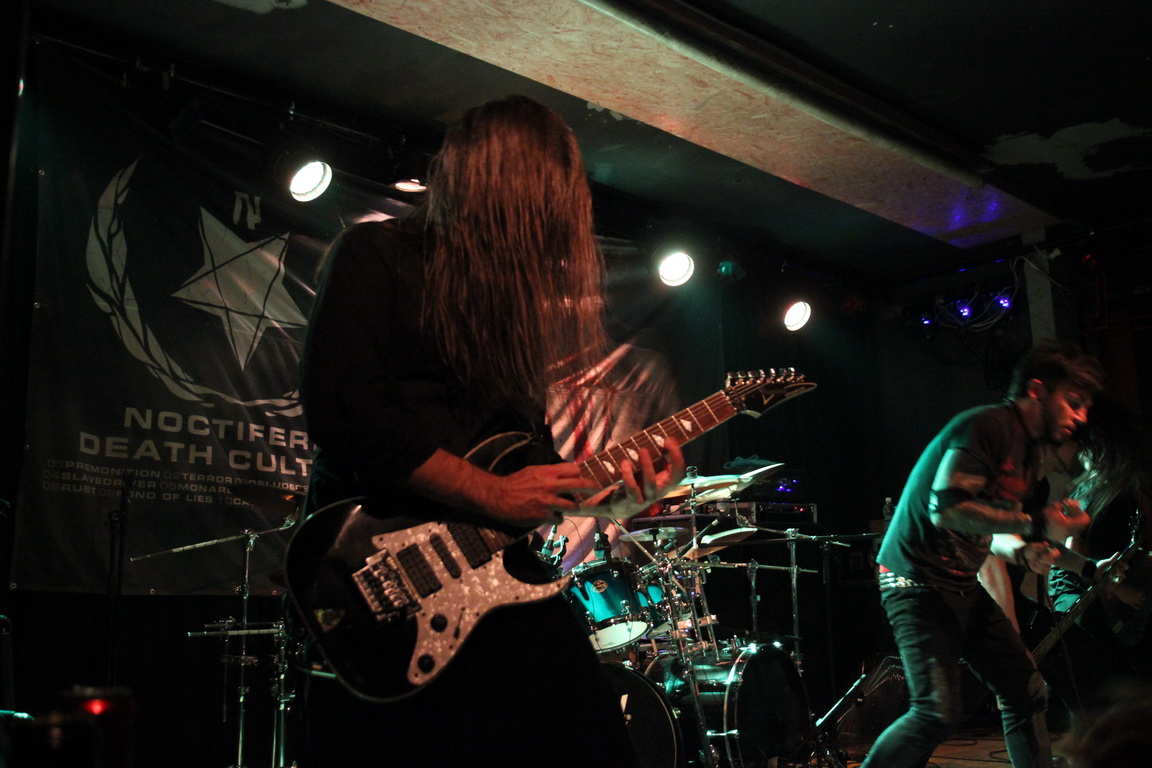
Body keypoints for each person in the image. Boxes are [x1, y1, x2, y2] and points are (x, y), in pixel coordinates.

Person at [295, 95, 685, 767]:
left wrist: (621, 498)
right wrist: (493, 494)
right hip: (382, 575)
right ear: (503, 185)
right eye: (548, 199)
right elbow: (345, 410)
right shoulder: (377, 253)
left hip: (495, 579)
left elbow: (529, 463)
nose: (558, 222)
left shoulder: (510, 317)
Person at [862, 341, 1105, 768]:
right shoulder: (986, 426)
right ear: (1037, 390)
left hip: (959, 584)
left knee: (1026, 691)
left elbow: (990, 532)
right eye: (1073, 402)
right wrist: (1035, 524)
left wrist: (1026, 553)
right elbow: (946, 508)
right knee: (936, 712)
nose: (1081, 417)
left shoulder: (1028, 454)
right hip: (915, 581)